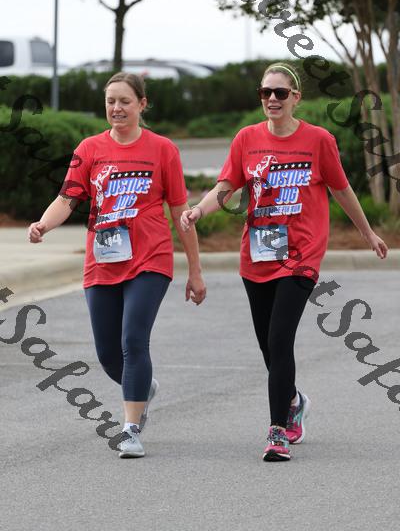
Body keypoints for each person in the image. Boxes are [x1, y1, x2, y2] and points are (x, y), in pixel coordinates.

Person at [181, 62, 388, 462]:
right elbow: (227, 185)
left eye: (280, 93)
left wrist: (367, 233)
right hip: (257, 254)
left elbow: (341, 189)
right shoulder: (246, 139)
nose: (272, 99)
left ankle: (277, 431)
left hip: (300, 256)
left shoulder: (318, 140)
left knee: (279, 340)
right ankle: (293, 400)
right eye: (266, 93)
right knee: (268, 347)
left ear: (296, 97)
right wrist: (199, 210)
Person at [28, 72, 206, 458]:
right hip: (103, 261)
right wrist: (43, 224)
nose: (117, 108)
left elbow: (180, 212)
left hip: (150, 259)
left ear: (142, 104)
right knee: (109, 354)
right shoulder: (89, 149)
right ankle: (142, 388)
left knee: (133, 341)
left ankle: (130, 428)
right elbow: (67, 199)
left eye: (125, 101)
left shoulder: (163, 150)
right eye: (111, 101)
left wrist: (195, 270)